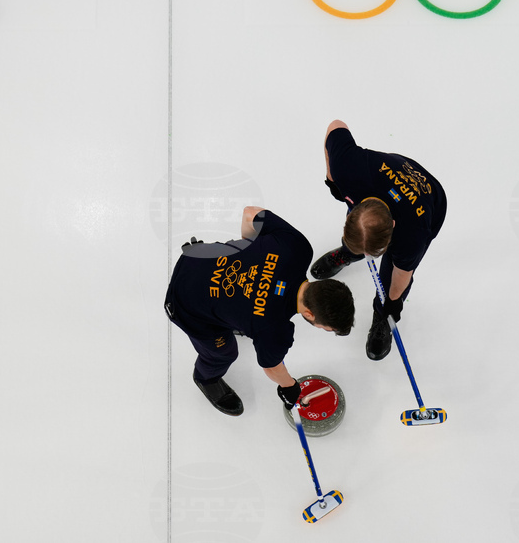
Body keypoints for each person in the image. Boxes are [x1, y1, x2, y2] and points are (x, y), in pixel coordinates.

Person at [164, 206, 355, 416]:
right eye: (324, 328)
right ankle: (205, 378)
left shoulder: (298, 249)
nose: (322, 328)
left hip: (199, 257)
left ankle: (232, 315)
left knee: (240, 311)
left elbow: (250, 214)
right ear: (310, 314)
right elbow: (272, 368)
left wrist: (250, 251)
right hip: (184, 301)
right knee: (224, 352)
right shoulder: (274, 330)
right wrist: (289, 386)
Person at [311, 120, 447, 361]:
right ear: (355, 209)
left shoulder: (413, 233)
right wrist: (332, 177)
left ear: (393, 228)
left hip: (430, 201)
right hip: (379, 178)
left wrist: (393, 303)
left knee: (389, 289)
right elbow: (335, 126)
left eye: (373, 253)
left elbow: (402, 273)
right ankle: (346, 253)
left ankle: (381, 317)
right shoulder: (348, 169)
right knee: (357, 243)